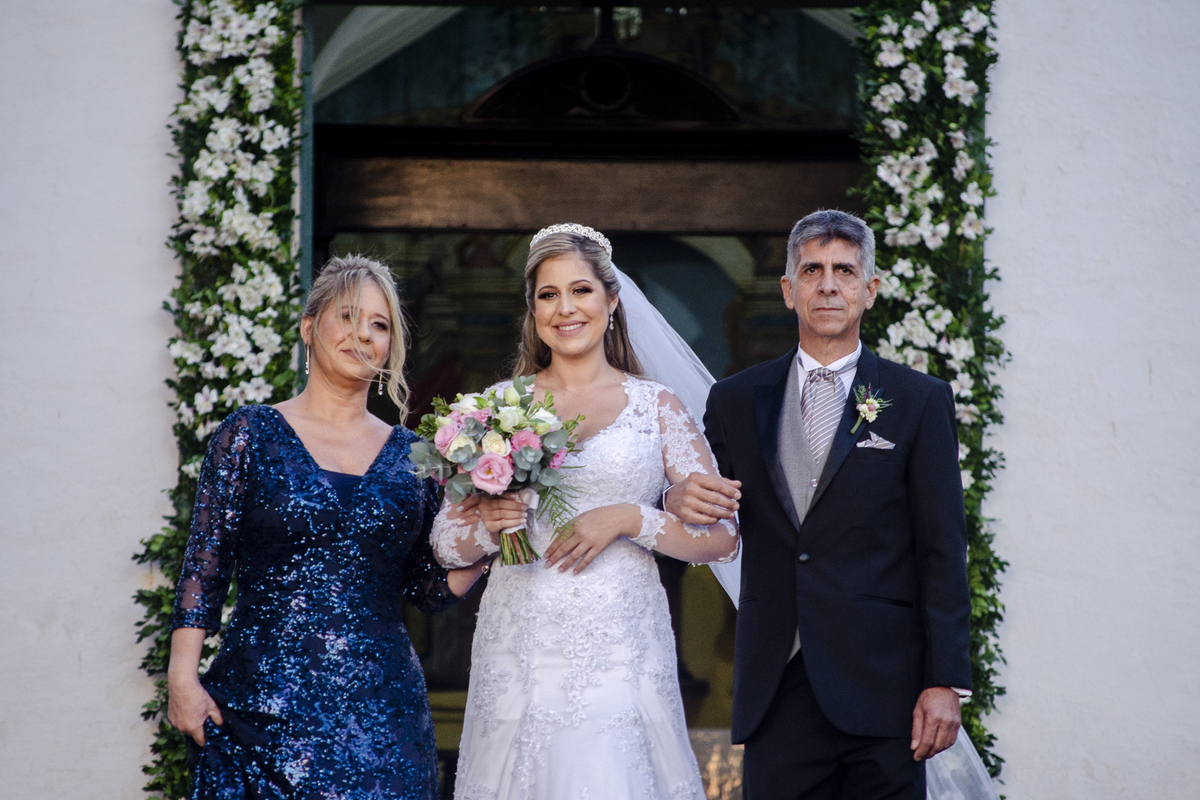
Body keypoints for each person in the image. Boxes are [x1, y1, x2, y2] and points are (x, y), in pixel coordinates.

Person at [667, 210, 973, 799]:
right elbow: (710, 510)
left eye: (844, 270)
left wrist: (945, 682)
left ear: (869, 290)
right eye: (812, 270)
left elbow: (942, 547)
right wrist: (676, 497)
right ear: (789, 290)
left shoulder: (917, 401)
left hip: (886, 689)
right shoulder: (734, 400)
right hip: (775, 684)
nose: (828, 284)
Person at [429, 223, 740, 800]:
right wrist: (490, 526)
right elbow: (446, 543)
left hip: (621, 644)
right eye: (548, 295)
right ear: (532, 309)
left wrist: (630, 518)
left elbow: (722, 536)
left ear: (612, 299)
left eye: (581, 291)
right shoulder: (497, 406)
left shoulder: (656, 406)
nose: (565, 309)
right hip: (519, 641)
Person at [167, 255, 487, 800]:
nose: (363, 334)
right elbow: (206, 561)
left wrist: (491, 542)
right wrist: (182, 677)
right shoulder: (250, 433)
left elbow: (426, 588)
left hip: (382, 715)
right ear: (310, 328)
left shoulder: (416, 457)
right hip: (260, 709)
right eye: (348, 316)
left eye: (379, 325)